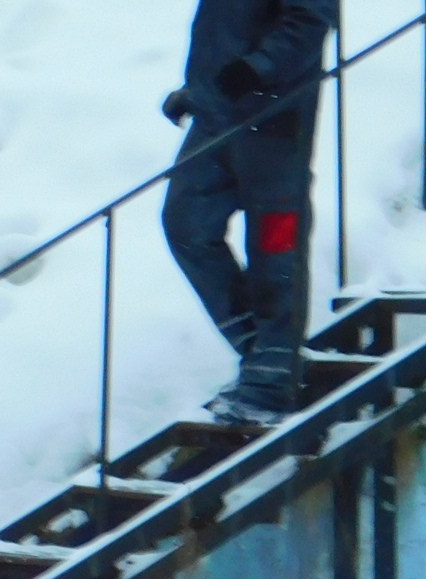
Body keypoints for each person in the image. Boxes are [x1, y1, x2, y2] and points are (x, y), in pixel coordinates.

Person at [161, 0, 339, 428]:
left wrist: (256, 68)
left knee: (275, 242)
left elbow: (310, 20)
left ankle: (272, 381)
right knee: (185, 222)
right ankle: (261, 349)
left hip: (275, 118)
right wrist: (197, 90)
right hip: (217, 116)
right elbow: (226, 28)